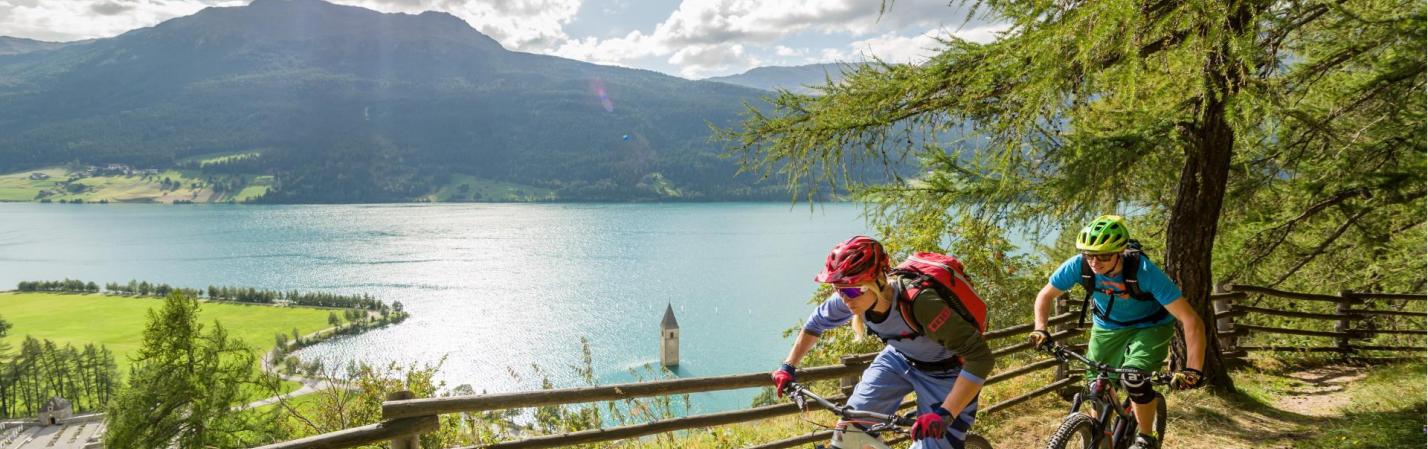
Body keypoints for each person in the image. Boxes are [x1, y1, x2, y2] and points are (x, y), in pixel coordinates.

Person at [771, 236, 993, 449]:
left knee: (933, 440)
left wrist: (946, 413)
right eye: (838, 289)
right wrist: (788, 366)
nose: (845, 298)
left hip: (946, 374)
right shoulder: (849, 300)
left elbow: (980, 358)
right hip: (898, 359)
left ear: (877, 281)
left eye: (851, 289)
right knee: (849, 430)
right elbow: (814, 325)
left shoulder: (921, 303)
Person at [1027, 215, 1206, 449]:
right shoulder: (1078, 265)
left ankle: (1145, 438)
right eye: (1089, 254)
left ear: (1120, 251)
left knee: (1133, 377)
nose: (1094, 262)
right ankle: (1102, 439)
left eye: (1103, 255)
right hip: (1108, 325)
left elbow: (1191, 320)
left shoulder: (1144, 271)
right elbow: (1045, 295)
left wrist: (1193, 369)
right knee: (1096, 385)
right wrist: (1040, 328)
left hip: (1150, 326)